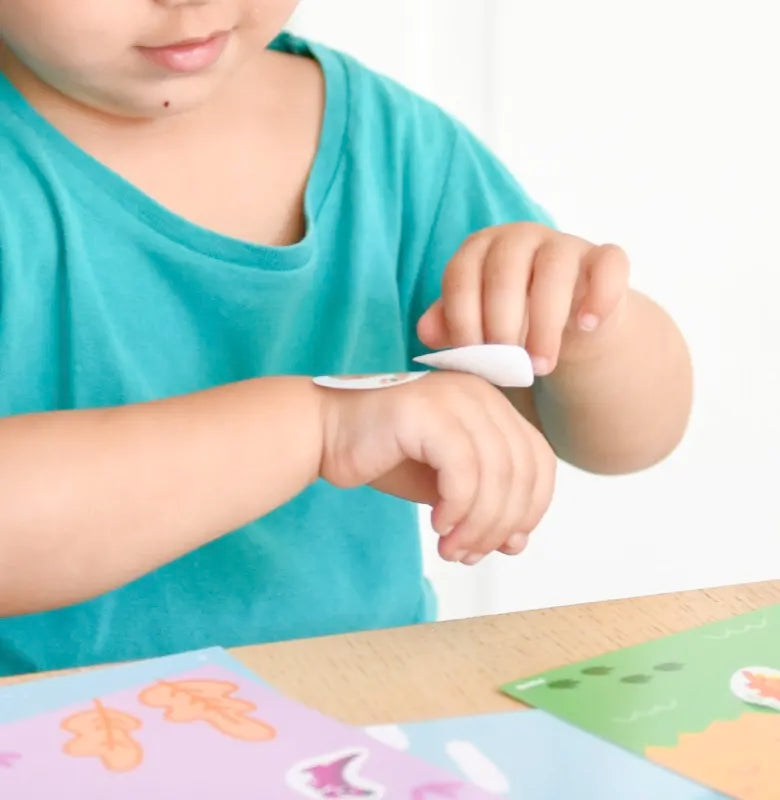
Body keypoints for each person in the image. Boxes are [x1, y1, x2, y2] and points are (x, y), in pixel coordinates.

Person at [0, 0, 693, 676]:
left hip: (362, 712)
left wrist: (589, 330)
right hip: (47, 727)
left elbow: (624, 444)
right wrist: (319, 427)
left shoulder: (390, 143)